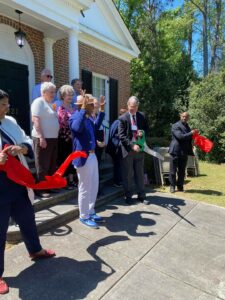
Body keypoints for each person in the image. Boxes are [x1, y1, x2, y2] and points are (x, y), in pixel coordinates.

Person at [0, 89, 55, 295]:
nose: (7, 107)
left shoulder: (11, 121)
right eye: (3, 104)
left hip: (17, 182)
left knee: (27, 218)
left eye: (7, 103)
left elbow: (26, 140)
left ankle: (35, 250)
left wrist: (21, 149)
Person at [69, 93, 105, 228]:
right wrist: (84, 109)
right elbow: (77, 128)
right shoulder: (75, 117)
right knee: (84, 188)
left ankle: (90, 211)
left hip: (92, 155)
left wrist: (101, 110)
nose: (93, 106)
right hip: (82, 157)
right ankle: (83, 216)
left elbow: (96, 127)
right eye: (90, 104)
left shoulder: (88, 118)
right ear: (82, 105)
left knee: (93, 185)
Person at [118, 96, 150, 205]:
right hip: (128, 150)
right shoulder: (123, 118)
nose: (133, 109)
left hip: (140, 150)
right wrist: (132, 146)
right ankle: (128, 196)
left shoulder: (142, 116)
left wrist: (142, 133)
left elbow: (147, 129)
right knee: (128, 175)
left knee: (140, 174)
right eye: (131, 107)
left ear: (138, 106)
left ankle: (141, 195)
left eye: (135, 107)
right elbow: (121, 136)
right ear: (128, 106)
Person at [31, 82, 60, 198]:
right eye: (51, 92)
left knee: (52, 164)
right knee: (42, 164)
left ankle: (50, 186)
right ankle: (41, 188)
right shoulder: (38, 102)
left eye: (54, 91)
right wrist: (41, 137)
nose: (54, 94)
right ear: (43, 92)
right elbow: (35, 120)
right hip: (43, 138)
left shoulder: (51, 104)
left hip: (53, 138)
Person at [169, 111, 198, 193]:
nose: (184, 118)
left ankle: (180, 186)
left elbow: (188, 138)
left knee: (182, 171)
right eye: (183, 116)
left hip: (184, 151)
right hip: (175, 151)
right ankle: (172, 186)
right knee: (172, 170)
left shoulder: (187, 126)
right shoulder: (175, 125)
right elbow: (180, 137)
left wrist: (193, 141)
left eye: (186, 117)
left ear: (188, 118)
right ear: (180, 116)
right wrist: (191, 133)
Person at [57, 85, 76, 189]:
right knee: (64, 159)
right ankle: (64, 182)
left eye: (71, 94)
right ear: (62, 96)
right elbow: (63, 124)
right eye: (67, 94)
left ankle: (71, 180)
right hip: (64, 139)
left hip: (73, 139)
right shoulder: (61, 108)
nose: (70, 96)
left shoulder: (73, 108)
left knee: (72, 159)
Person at [106, 108, 127, 187]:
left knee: (118, 164)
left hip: (115, 148)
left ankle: (118, 180)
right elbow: (113, 135)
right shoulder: (118, 122)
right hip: (115, 148)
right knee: (118, 164)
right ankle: (117, 181)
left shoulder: (116, 122)